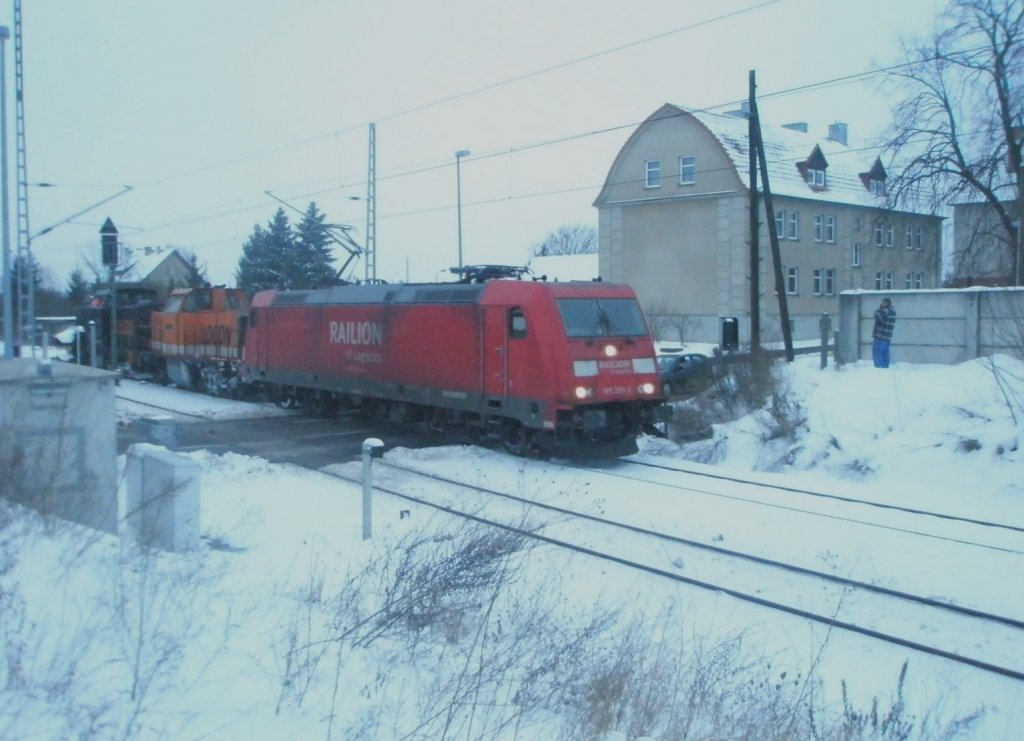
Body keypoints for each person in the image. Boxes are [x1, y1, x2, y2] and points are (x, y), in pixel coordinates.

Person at [872, 298, 897, 368]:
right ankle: (885, 368)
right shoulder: (893, 311)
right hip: (887, 336)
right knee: (885, 353)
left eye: (882, 303)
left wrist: (879, 310)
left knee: (877, 352)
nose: (881, 304)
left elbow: (877, 316)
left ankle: (879, 368)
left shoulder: (885, 311)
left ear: (886, 303)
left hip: (880, 335)